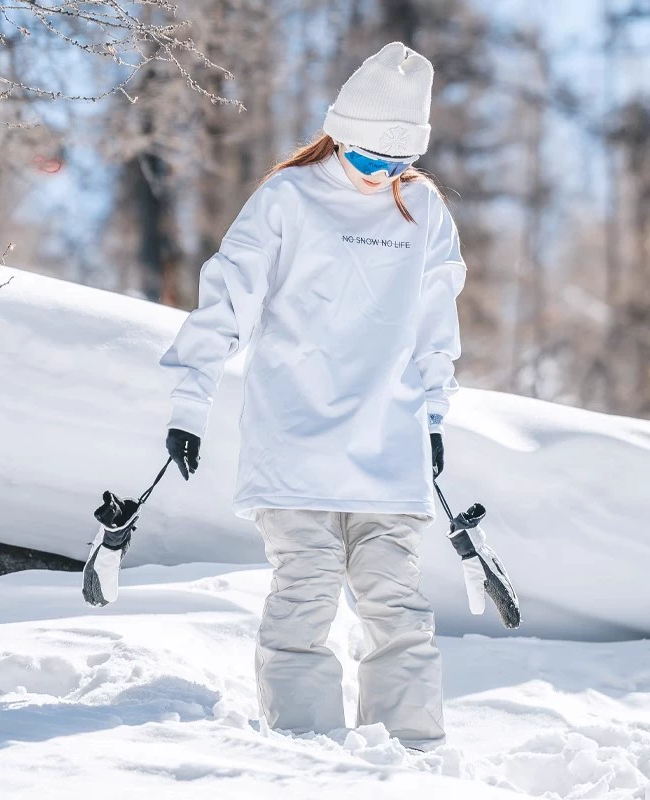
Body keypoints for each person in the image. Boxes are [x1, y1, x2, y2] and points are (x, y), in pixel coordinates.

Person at [159, 41, 467, 753]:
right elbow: (225, 303)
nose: (379, 177)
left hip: (387, 442)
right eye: (366, 159)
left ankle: (411, 756)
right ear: (338, 135)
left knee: (398, 608)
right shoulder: (288, 198)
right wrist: (189, 407)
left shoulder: (423, 210)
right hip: (294, 442)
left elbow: (435, 326)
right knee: (304, 601)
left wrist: (433, 417)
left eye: (396, 164)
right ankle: (305, 757)